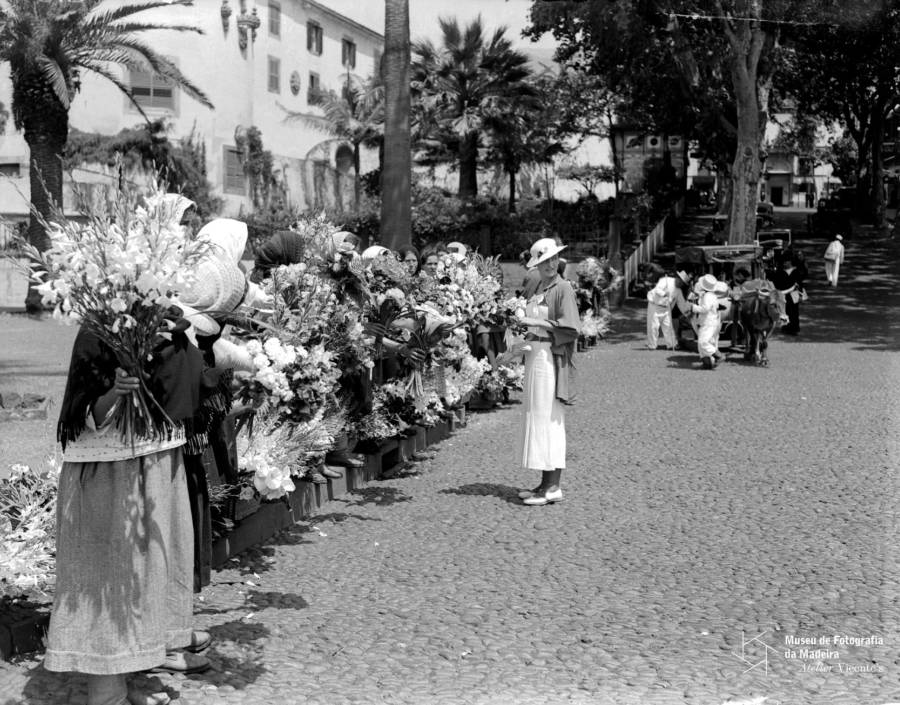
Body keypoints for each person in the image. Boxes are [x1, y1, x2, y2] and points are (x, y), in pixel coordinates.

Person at [44, 311, 210, 705]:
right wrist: (116, 391)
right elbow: (86, 413)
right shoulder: (98, 332)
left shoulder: (172, 325)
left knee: (144, 577)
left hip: (154, 464)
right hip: (111, 475)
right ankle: (105, 695)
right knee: (109, 576)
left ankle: (123, 678)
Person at [503, 237, 580, 506]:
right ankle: (544, 482)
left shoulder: (563, 288)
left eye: (553, 259)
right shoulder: (541, 287)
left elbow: (571, 327)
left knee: (549, 418)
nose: (550, 264)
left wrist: (535, 320)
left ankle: (554, 485)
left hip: (549, 356)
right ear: (536, 264)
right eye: (544, 260)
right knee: (537, 416)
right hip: (534, 355)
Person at [645, 271, 690, 350]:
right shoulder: (665, 280)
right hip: (655, 306)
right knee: (653, 327)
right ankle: (652, 345)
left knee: (668, 327)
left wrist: (687, 313)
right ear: (677, 278)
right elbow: (657, 290)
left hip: (667, 309)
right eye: (680, 281)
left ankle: (671, 344)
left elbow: (681, 303)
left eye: (682, 283)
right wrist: (664, 293)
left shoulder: (678, 291)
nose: (680, 283)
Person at [691, 273, 721, 369]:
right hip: (709, 321)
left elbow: (705, 309)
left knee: (703, 343)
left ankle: (718, 355)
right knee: (702, 344)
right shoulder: (710, 295)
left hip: (708, 322)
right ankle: (707, 363)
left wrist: (694, 307)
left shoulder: (708, 296)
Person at [769, 256, 805, 334]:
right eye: (784, 262)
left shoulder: (796, 271)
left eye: (787, 261)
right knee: (786, 310)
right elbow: (776, 282)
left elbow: (800, 283)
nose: (785, 263)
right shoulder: (780, 272)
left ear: (791, 262)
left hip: (794, 293)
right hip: (784, 294)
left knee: (795, 311)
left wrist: (801, 294)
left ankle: (795, 327)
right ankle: (787, 326)